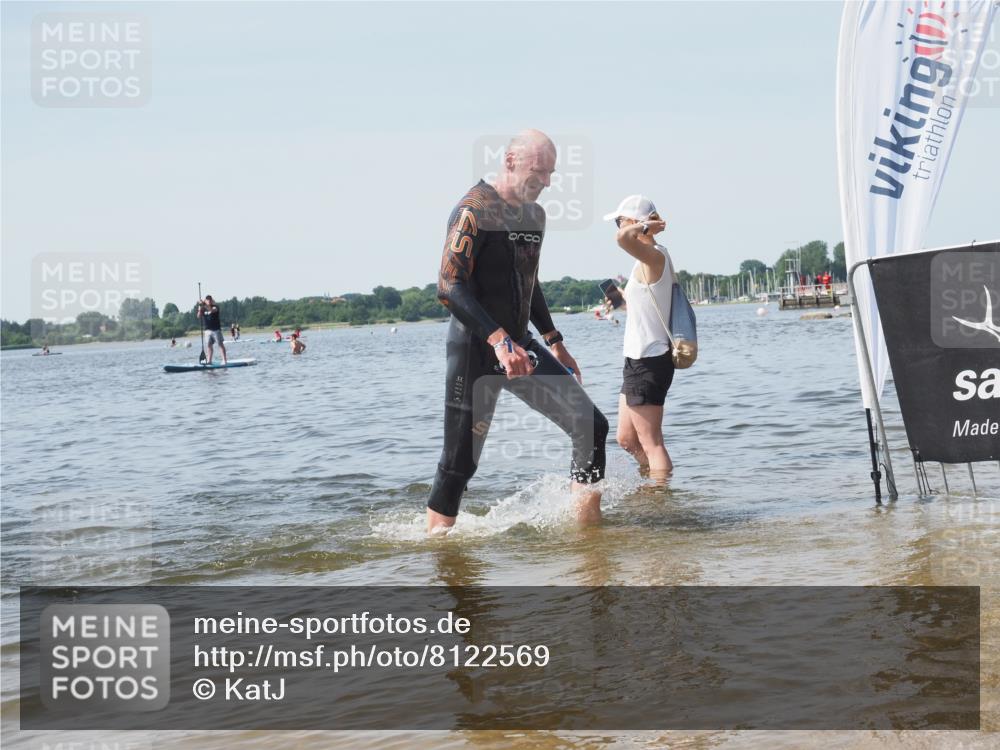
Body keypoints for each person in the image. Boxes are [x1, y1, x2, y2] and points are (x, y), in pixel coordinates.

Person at [428, 129, 608, 533]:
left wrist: (554, 340)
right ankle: (438, 548)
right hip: (476, 349)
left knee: (590, 425)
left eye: (551, 174)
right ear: (510, 161)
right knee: (459, 463)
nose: (546, 182)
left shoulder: (534, 216)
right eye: (538, 172)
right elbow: (449, 286)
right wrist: (498, 340)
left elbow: (528, 280)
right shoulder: (474, 210)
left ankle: (590, 538)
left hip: (521, 346)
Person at [605, 195, 674, 480]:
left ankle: (660, 495)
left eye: (620, 221)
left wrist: (645, 227)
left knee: (652, 442)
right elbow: (645, 307)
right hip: (637, 357)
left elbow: (622, 239)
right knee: (626, 439)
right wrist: (621, 302)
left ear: (634, 222)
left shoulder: (655, 255)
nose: (618, 227)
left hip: (650, 357)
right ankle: (653, 484)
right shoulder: (644, 260)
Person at [196, 294, 228, 365]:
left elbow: (211, 310)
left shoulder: (215, 307)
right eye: (207, 300)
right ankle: (209, 361)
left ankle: (224, 360)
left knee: (220, 344)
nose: (209, 301)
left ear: (212, 300)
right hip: (207, 330)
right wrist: (200, 307)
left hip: (216, 330)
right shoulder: (203, 308)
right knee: (209, 345)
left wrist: (203, 304)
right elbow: (198, 316)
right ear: (205, 300)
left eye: (210, 299)